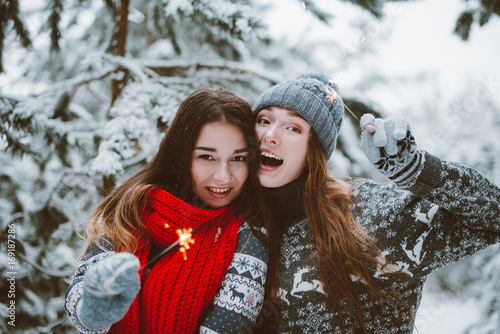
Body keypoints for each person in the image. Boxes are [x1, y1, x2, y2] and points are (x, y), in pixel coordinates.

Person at [252, 73, 500, 333]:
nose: (270, 135)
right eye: (264, 120)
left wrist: (421, 172)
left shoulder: (369, 214)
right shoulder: (237, 223)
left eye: (293, 128)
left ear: (314, 149)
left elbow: (493, 217)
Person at [64, 88, 269, 334]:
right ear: (181, 157)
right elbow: (83, 295)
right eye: (207, 157)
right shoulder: (129, 210)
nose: (224, 176)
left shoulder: (250, 231)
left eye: (238, 159)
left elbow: (231, 323)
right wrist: (95, 306)